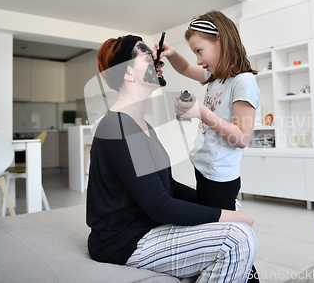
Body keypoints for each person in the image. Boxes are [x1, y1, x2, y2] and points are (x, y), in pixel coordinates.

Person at [86, 34, 257, 283]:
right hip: (123, 241)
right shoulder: (117, 127)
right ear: (127, 73)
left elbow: (167, 187)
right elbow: (160, 206)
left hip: (146, 226)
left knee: (234, 208)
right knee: (236, 238)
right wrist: (227, 217)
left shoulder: (141, 125)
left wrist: (216, 206)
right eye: (146, 55)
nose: (157, 60)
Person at [158, 11, 261, 282]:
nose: (198, 60)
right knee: (213, 230)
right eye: (194, 52)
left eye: (200, 50)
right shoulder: (216, 77)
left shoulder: (243, 81)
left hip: (220, 177)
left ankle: (246, 275)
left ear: (222, 41)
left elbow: (242, 137)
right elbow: (184, 69)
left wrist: (201, 112)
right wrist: (170, 53)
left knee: (226, 236)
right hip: (204, 169)